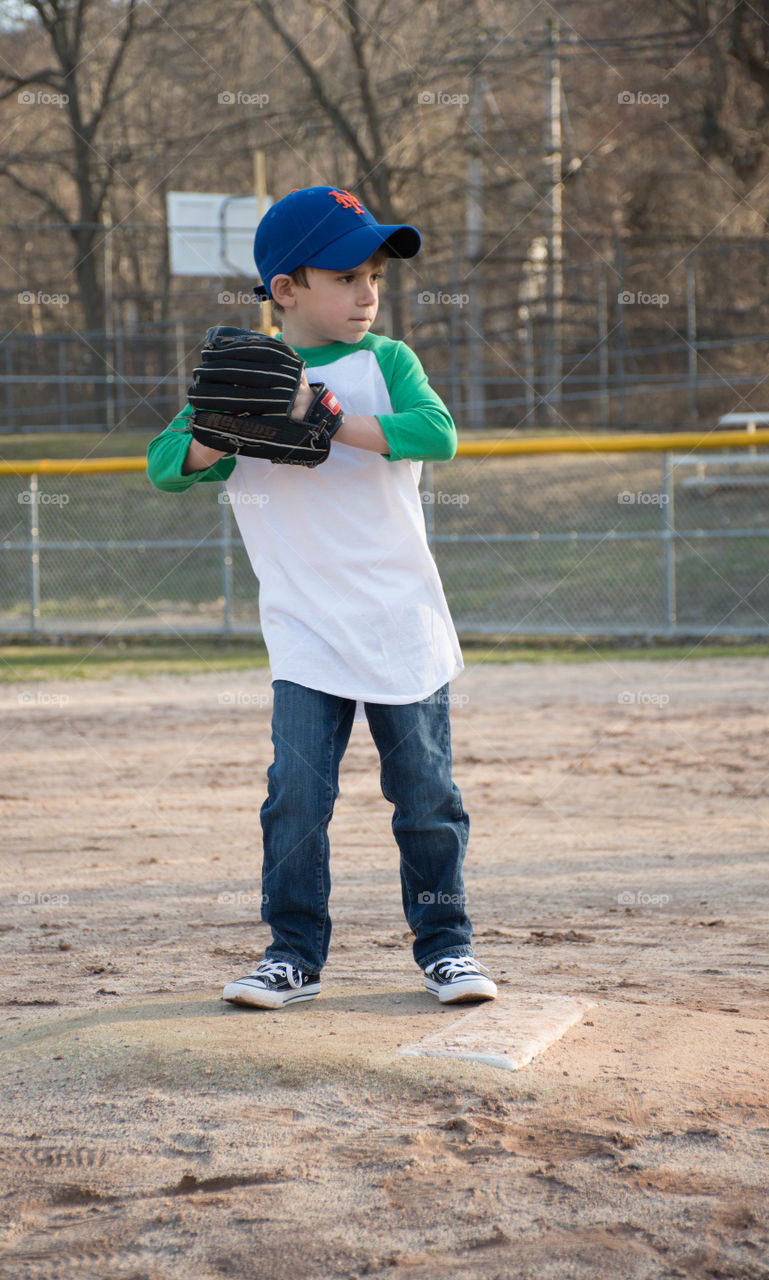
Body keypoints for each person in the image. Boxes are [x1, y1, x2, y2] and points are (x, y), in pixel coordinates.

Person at [146, 185, 497, 1010]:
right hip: (305, 632)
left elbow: (435, 432)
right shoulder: (247, 378)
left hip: (399, 621)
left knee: (425, 799)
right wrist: (218, 431)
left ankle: (446, 947)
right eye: (344, 275)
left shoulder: (388, 362)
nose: (367, 292)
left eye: (374, 274)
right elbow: (166, 466)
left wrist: (327, 419)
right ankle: (292, 955)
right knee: (296, 798)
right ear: (285, 290)